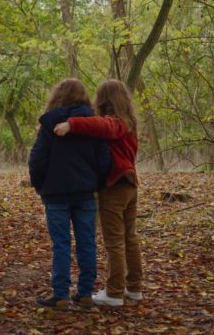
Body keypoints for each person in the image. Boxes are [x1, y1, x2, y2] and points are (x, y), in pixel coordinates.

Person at [53, 79, 143, 307]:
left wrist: (71, 124)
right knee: (129, 239)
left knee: (115, 241)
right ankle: (133, 288)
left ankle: (114, 292)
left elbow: (104, 126)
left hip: (116, 186)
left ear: (104, 100)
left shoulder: (116, 122)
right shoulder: (129, 122)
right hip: (130, 185)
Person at [29, 79, 111, 310]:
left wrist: (40, 185)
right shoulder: (94, 124)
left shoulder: (50, 123)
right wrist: (97, 182)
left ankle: (61, 295)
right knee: (87, 242)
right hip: (85, 193)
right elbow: (104, 158)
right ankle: (85, 293)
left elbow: (37, 158)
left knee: (61, 244)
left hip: (55, 194)